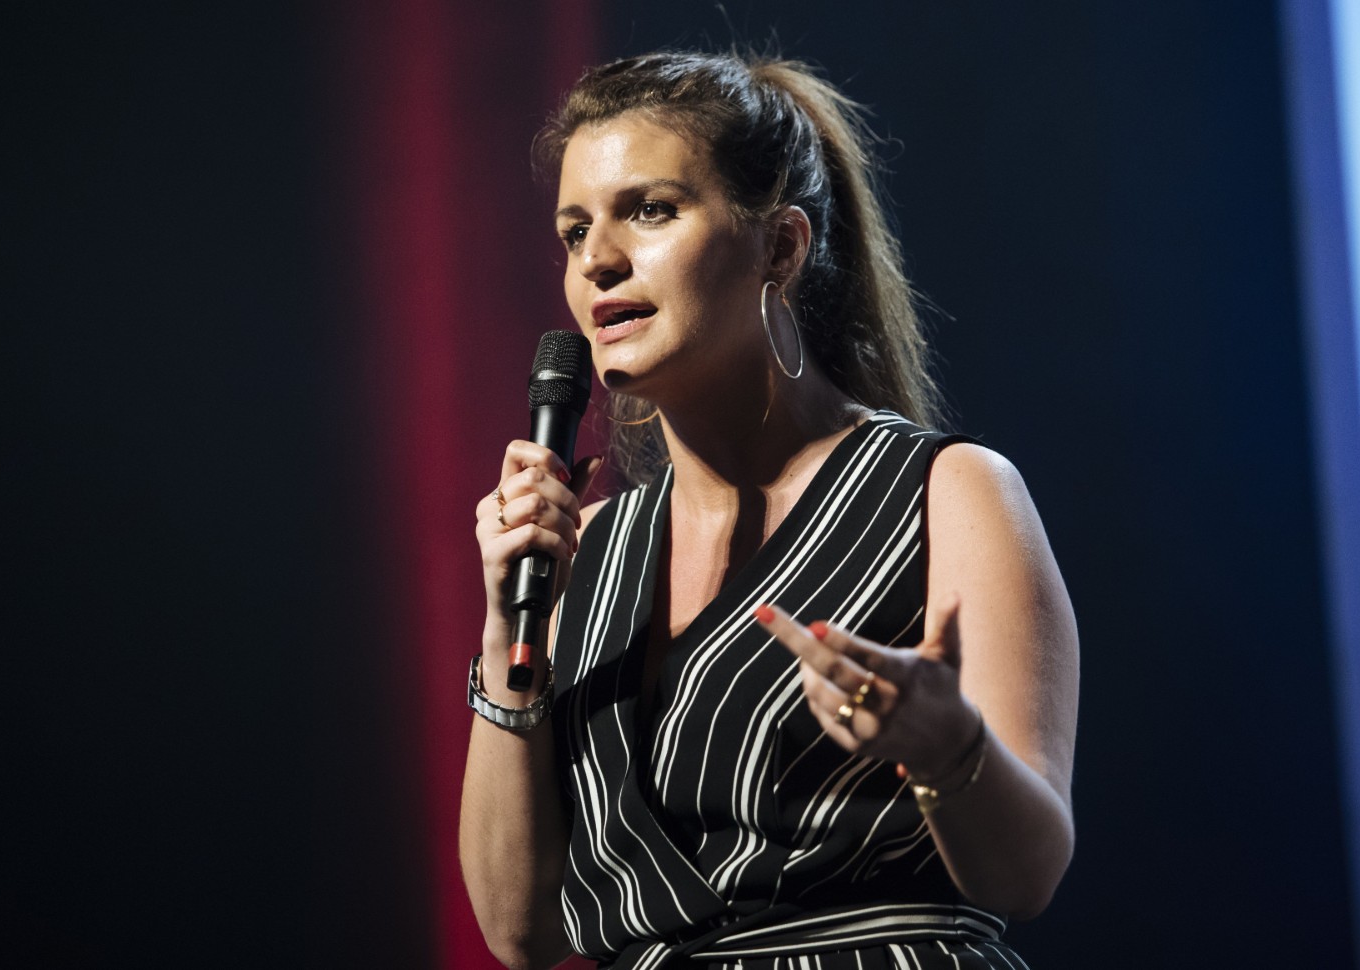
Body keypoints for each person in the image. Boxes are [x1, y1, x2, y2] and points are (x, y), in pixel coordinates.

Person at [461, 50, 1078, 970]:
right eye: (574, 229)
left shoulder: (945, 494)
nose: (598, 259)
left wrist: (948, 750)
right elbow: (521, 933)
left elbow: (1025, 878)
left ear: (781, 247)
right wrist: (508, 631)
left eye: (651, 210)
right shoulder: (582, 554)